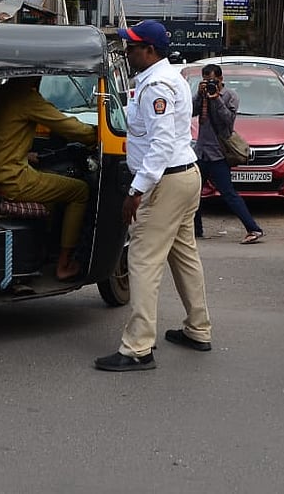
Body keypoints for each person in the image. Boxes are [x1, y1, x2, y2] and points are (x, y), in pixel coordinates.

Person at [95, 20, 210, 372]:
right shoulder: (159, 79)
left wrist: (136, 190)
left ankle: (138, 348)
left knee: (143, 260)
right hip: (183, 176)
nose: (127, 53)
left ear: (150, 50)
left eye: (132, 47)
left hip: (166, 181)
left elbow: (159, 145)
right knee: (184, 255)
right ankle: (198, 328)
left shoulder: (157, 85)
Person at [0, 75, 97, 281]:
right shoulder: (26, 98)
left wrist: (24, 153)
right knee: (80, 191)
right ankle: (64, 264)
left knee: (52, 182)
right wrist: (95, 135)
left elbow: (4, 135)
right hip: (14, 180)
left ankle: (42, 251)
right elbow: (67, 126)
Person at [192, 63, 264, 244]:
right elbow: (190, 112)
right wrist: (200, 95)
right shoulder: (201, 94)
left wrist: (215, 98)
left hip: (218, 153)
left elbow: (228, 121)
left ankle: (254, 229)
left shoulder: (230, 96)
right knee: (193, 194)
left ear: (221, 79)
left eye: (213, 80)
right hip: (201, 151)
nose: (210, 83)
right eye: (206, 80)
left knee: (229, 194)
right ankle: (196, 230)